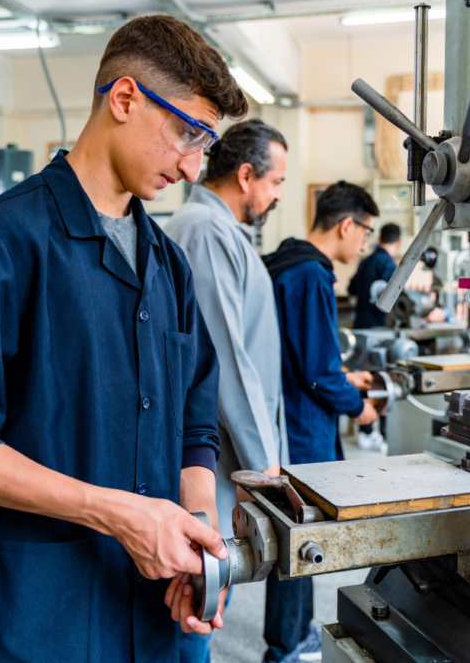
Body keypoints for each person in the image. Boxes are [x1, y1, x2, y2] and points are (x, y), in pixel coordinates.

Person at [0, 15, 250, 662]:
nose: (195, 166)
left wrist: (196, 535)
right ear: (124, 99)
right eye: (187, 134)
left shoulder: (168, 266)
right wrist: (119, 514)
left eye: (206, 144)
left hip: (157, 622)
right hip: (40, 618)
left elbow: (195, 428)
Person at [163, 119, 289, 663]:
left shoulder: (218, 230)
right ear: (245, 175)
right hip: (210, 457)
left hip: (222, 453)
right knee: (197, 595)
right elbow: (223, 363)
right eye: (276, 181)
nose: (277, 194)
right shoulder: (203, 229)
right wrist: (262, 473)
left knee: (205, 593)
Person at [260, 180, 380, 663]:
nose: (365, 244)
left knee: (290, 536)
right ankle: (288, 645)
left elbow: (298, 356)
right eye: (365, 232)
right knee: (299, 539)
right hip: (302, 429)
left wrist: (343, 374)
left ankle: (294, 635)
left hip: (283, 414)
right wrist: (359, 405)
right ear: (347, 224)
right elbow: (316, 373)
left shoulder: (284, 263)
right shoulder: (311, 274)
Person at [348, 222, 401, 328]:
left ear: (378, 239)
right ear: (399, 243)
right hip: (378, 325)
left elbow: (351, 289)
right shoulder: (388, 265)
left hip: (360, 323)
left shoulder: (365, 262)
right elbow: (394, 298)